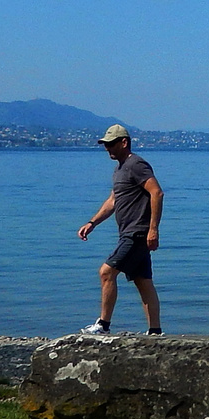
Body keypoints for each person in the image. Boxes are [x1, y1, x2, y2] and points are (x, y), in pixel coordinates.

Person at [77, 125, 164, 335]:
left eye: (111, 144)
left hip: (137, 232)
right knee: (143, 282)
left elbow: (157, 193)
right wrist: (92, 223)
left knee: (106, 272)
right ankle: (155, 331)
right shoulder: (119, 169)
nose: (107, 148)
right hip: (129, 232)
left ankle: (103, 325)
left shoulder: (136, 164)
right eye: (106, 145)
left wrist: (153, 229)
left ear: (124, 142)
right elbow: (113, 200)